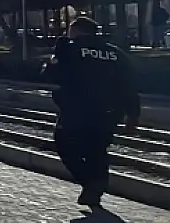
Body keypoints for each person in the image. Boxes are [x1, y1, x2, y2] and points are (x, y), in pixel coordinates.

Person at [42, 16, 140, 208]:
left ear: (76, 31)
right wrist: (133, 116)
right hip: (109, 112)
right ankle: (96, 187)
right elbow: (129, 86)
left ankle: (90, 183)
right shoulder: (116, 53)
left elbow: (52, 76)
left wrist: (56, 55)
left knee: (65, 145)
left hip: (77, 109)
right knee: (97, 150)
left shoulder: (70, 49)